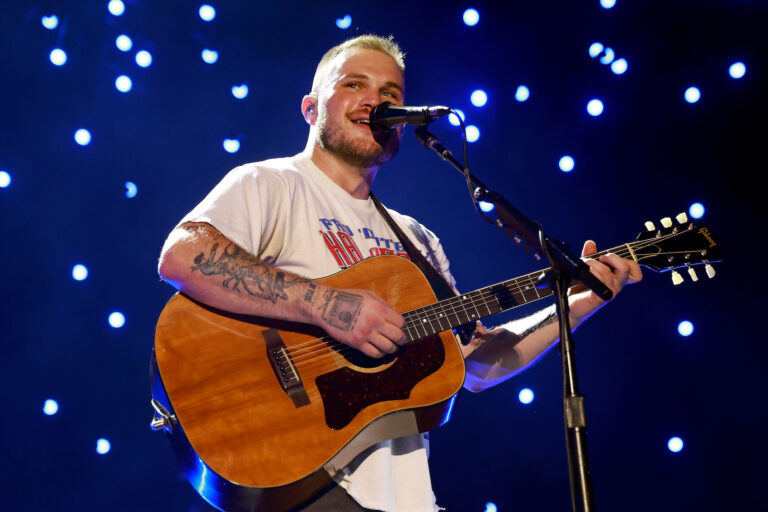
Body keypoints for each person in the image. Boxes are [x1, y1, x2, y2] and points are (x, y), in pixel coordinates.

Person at [158, 34, 642, 512]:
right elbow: (183, 254)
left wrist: (576, 305)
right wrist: (329, 306)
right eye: (354, 85)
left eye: (390, 94)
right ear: (311, 108)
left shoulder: (418, 240)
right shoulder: (271, 184)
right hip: (310, 486)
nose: (375, 101)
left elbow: (474, 363)